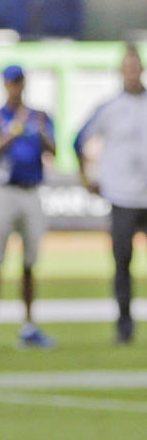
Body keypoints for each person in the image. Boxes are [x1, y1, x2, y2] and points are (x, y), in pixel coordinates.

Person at [0, 64, 57, 350]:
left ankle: (29, 325)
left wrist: (40, 131)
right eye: (12, 82)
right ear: (5, 85)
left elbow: (53, 149)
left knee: (29, 263)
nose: (16, 87)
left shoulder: (39, 115)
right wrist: (13, 131)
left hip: (30, 189)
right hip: (2, 190)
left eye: (20, 82)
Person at [74, 43, 147, 345]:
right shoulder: (109, 108)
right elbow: (78, 140)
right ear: (120, 71)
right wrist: (87, 176)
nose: (131, 72)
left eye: (135, 66)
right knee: (122, 263)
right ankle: (124, 327)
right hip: (122, 196)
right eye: (127, 67)